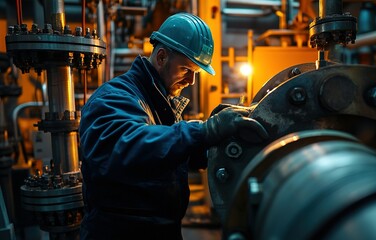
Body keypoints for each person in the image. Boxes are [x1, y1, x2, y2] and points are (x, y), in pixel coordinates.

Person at [78, 12, 268, 240]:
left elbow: (166, 154)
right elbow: (129, 146)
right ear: (161, 57)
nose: (191, 81)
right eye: (187, 70)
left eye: (196, 73)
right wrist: (204, 130)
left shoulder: (158, 102)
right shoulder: (114, 97)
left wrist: (218, 143)